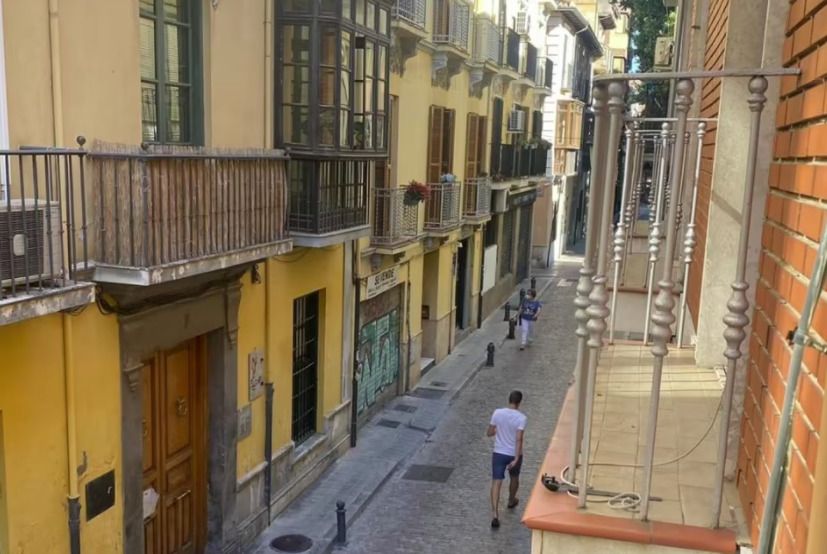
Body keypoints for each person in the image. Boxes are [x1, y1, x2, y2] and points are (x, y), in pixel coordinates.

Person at [487, 390, 527, 529]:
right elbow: (519, 439)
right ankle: (511, 500)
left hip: (499, 453)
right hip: (513, 453)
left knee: (496, 482)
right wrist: (516, 458)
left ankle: (495, 514)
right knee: (514, 477)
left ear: (509, 400)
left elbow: (489, 432)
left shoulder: (497, 413)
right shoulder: (522, 418)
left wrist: (497, 430)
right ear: (519, 402)